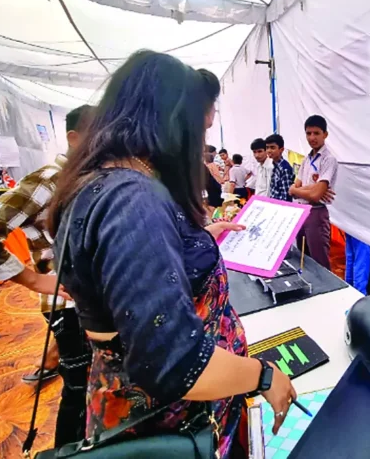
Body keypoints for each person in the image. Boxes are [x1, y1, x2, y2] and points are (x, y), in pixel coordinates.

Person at [48, 51, 296, 457]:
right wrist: (264, 376)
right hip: (178, 420)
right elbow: (176, 364)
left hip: (153, 410)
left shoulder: (99, 184)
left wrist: (195, 239)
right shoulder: (134, 201)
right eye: (199, 127)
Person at [0, 105, 95, 446]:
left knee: (93, 389)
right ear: (74, 139)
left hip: (91, 303)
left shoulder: (86, 179)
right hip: (69, 306)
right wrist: (32, 279)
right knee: (78, 390)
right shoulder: (50, 179)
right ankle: (67, 451)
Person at [289, 115, 338, 270]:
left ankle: (327, 292)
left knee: (319, 262)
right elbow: (294, 188)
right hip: (301, 212)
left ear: (325, 134)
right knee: (303, 258)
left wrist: (298, 190)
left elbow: (316, 195)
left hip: (316, 213)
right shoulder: (306, 159)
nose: (312, 137)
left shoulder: (328, 159)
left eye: (316, 133)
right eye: (309, 133)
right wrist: (310, 188)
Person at [266, 134, 295, 202]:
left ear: (281, 149)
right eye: (267, 147)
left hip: (281, 208)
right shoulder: (274, 165)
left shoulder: (284, 169)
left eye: (272, 147)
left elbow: (286, 196)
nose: (269, 150)